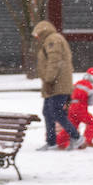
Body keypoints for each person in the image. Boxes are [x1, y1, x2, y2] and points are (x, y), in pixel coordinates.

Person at [32, 21, 80, 150]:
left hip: (57, 85)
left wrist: (48, 80)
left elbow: (54, 62)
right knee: (48, 112)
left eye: (37, 35)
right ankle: (51, 142)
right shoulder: (50, 40)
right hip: (54, 84)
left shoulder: (53, 40)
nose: (37, 38)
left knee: (56, 113)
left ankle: (76, 137)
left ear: (43, 32)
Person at [57, 67, 93, 151]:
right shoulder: (92, 87)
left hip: (71, 107)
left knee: (71, 126)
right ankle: (86, 141)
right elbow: (92, 101)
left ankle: (59, 141)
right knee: (92, 123)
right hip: (80, 108)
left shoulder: (77, 83)